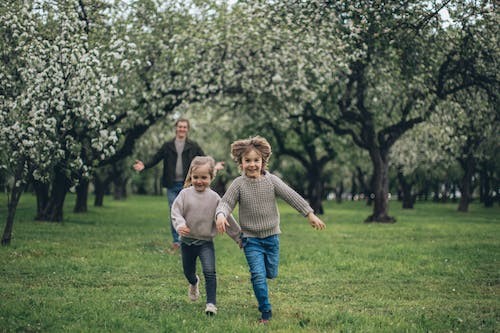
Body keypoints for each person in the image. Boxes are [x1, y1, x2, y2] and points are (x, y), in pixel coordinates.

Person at [215, 136, 326, 324]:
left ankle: (267, 276)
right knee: (257, 275)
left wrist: (309, 214)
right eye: (247, 161)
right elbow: (226, 202)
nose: (252, 165)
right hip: (251, 239)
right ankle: (265, 312)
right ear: (241, 163)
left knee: (271, 273)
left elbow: (291, 196)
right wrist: (220, 214)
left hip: (272, 237)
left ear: (263, 161)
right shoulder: (238, 184)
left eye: (256, 160)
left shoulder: (272, 181)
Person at [133, 118, 223, 250]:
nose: (182, 129)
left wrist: (214, 166)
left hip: (188, 184)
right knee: (174, 211)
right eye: (180, 126)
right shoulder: (168, 145)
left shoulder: (193, 145)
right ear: (176, 128)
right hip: (171, 184)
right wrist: (144, 165)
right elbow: (156, 158)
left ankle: (188, 238)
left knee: (189, 212)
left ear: (188, 129)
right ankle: (177, 241)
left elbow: (204, 160)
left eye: (184, 127)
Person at [171, 156, 241, 316]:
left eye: (204, 177)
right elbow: (176, 212)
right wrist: (180, 225)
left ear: (211, 177)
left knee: (210, 271)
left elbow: (227, 218)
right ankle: (194, 282)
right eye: (196, 177)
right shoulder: (184, 194)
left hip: (205, 243)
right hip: (187, 242)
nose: (199, 181)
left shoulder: (215, 198)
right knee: (188, 272)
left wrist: (238, 237)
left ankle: (211, 304)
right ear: (191, 177)